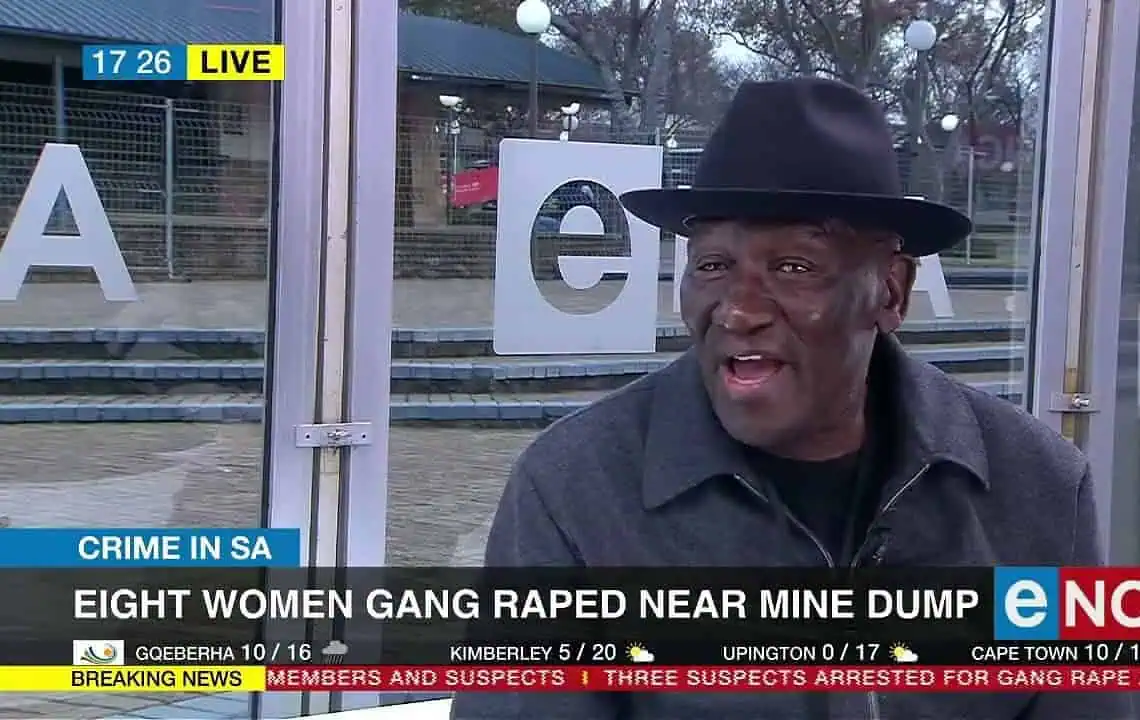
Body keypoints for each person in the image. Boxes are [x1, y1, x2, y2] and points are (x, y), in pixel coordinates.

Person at [450, 78, 1134, 719]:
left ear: (891, 290)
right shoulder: (574, 489)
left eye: (793, 267)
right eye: (713, 266)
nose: (738, 310)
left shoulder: (1040, 485)